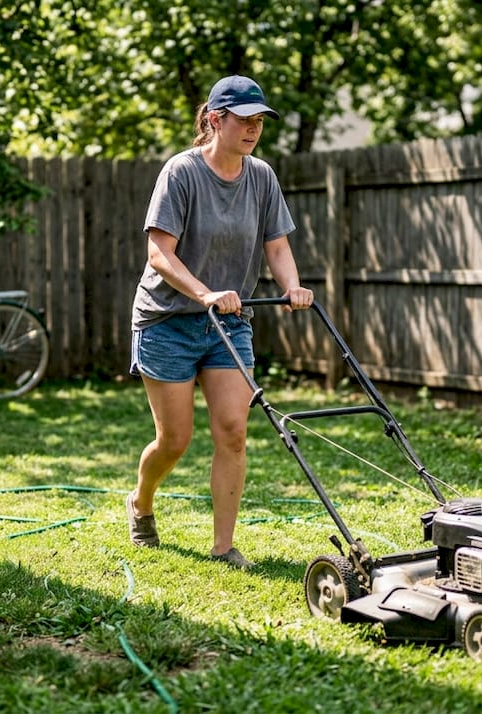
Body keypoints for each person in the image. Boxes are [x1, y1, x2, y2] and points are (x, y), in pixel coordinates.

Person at [126, 75, 314, 569]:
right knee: (175, 439)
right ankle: (141, 503)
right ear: (215, 119)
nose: (253, 129)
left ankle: (224, 547)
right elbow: (159, 253)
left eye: (259, 121)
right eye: (244, 119)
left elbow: (276, 245)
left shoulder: (262, 177)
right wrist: (205, 292)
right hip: (167, 319)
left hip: (228, 323)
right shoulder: (181, 173)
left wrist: (291, 285)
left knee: (233, 430)